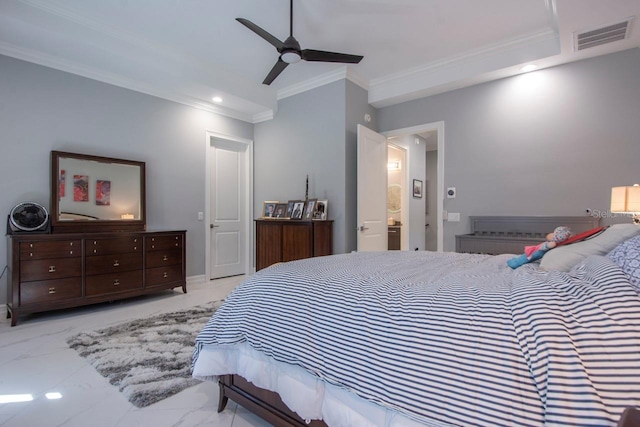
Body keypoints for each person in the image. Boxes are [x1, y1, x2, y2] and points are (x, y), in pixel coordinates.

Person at [507, 226, 572, 269]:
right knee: (526, 258)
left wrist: (548, 245)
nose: (551, 234)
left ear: (556, 237)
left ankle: (513, 263)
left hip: (536, 253)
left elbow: (544, 247)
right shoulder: (555, 243)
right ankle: (515, 261)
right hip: (536, 252)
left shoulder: (552, 243)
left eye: (553, 233)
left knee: (524, 258)